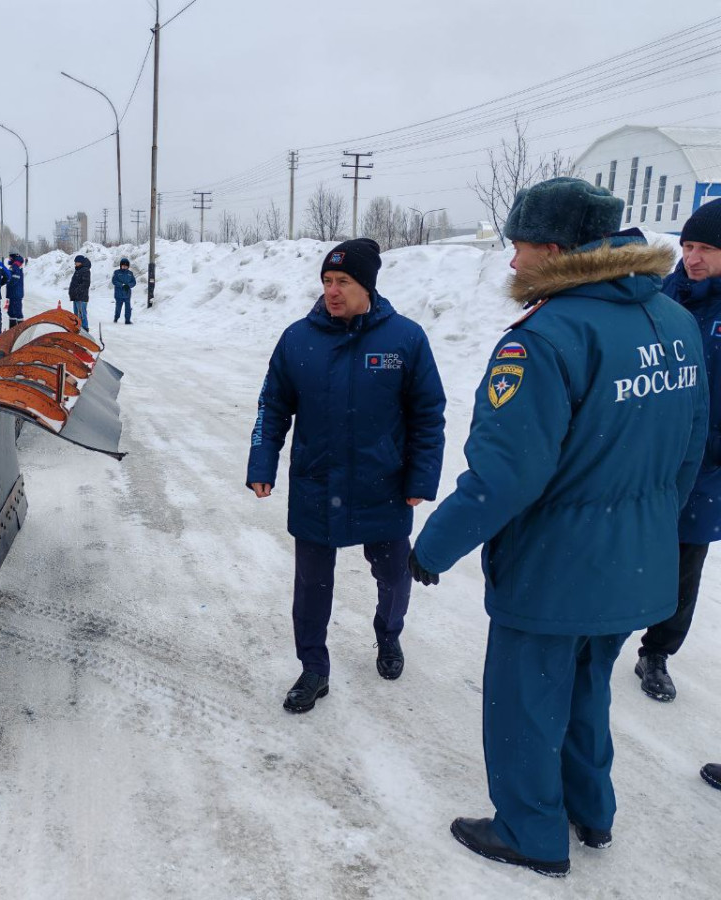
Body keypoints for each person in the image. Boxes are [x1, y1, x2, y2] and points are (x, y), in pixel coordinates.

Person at [409, 178, 708, 877]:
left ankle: (530, 831)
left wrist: (433, 546)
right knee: (587, 689)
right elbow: (690, 449)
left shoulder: (545, 338)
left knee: (525, 701)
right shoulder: (674, 321)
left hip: (554, 565)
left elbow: (507, 475)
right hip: (636, 561)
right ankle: (591, 811)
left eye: (520, 247)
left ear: (555, 248)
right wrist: (650, 527)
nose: (513, 264)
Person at [246, 238, 446, 714]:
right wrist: (262, 463)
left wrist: (421, 479)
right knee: (311, 588)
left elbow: (428, 414)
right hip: (318, 484)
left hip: (385, 484)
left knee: (395, 576)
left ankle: (388, 634)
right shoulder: (298, 338)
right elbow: (272, 407)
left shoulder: (405, 339)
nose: (332, 292)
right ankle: (314, 667)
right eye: (327, 281)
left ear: (367, 287)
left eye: (344, 282)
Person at [635, 199, 721, 702]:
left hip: (707, 467)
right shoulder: (664, 296)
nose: (692, 257)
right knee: (625, 545)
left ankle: (657, 652)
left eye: (706, 248)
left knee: (683, 566)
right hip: (649, 456)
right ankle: (601, 628)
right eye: (688, 246)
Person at [69, 254, 92, 330]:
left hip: (81, 297)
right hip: (76, 297)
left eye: (76, 262)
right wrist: (72, 292)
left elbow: (86, 283)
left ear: (81, 262)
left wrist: (77, 290)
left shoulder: (85, 270)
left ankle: (85, 328)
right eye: (75, 262)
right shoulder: (78, 270)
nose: (75, 263)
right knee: (76, 315)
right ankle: (77, 328)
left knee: (82, 314)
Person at [112, 257, 137, 324]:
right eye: (123, 265)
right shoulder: (116, 272)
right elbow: (114, 281)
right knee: (118, 308)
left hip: (127, 294)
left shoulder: (130, 273)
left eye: (126, 266)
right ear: (121, 265)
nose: (124, 267)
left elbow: (134, 282)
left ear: (128, 266)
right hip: (118, 294)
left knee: (128, 308)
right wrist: (122, 285)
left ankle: (127, 320)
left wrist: (128, 285)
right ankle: (116, 317)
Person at [6, 252, 25, 328]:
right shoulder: (16, 264)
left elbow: (15, 278)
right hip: (15, 293)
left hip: (15, 292)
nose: (9, 258)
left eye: (10, 257)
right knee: (12, 311)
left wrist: (8, 282)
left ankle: (20, 329)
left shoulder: (15, 265)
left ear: (12, 257)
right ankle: (12, 329)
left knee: (17, 311)